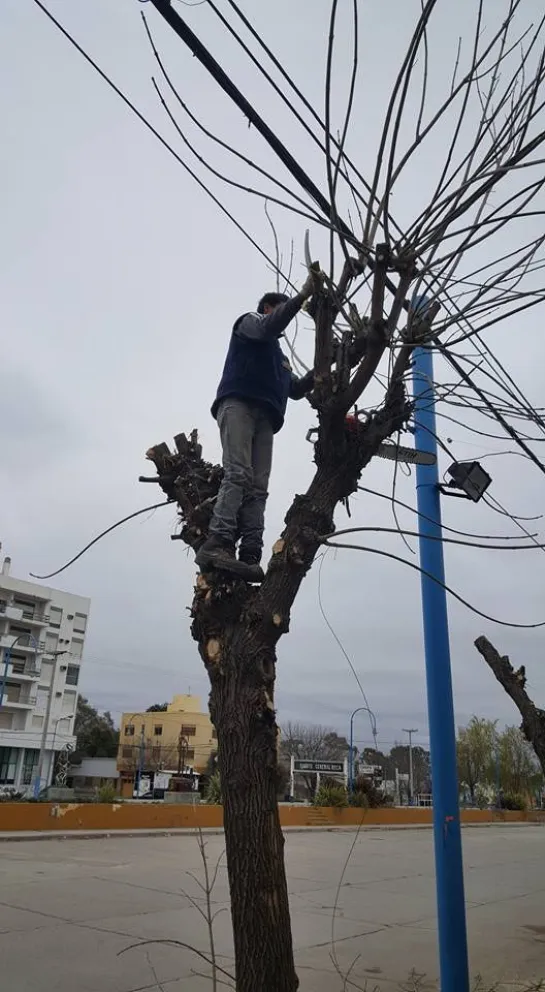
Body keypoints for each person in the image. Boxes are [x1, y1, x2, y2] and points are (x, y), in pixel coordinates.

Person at [196, 271, 323, 582]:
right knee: (238, 472)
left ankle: (251, 553)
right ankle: (218, 541)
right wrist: (302, 295)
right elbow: (271, 325)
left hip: (266, 416)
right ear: (268, 307)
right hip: (239, 404)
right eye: (280, 310)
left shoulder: (278, 357)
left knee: (258, 487)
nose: (285, 318)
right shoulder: (250, 323)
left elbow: (294, 389)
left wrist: (322, 370)